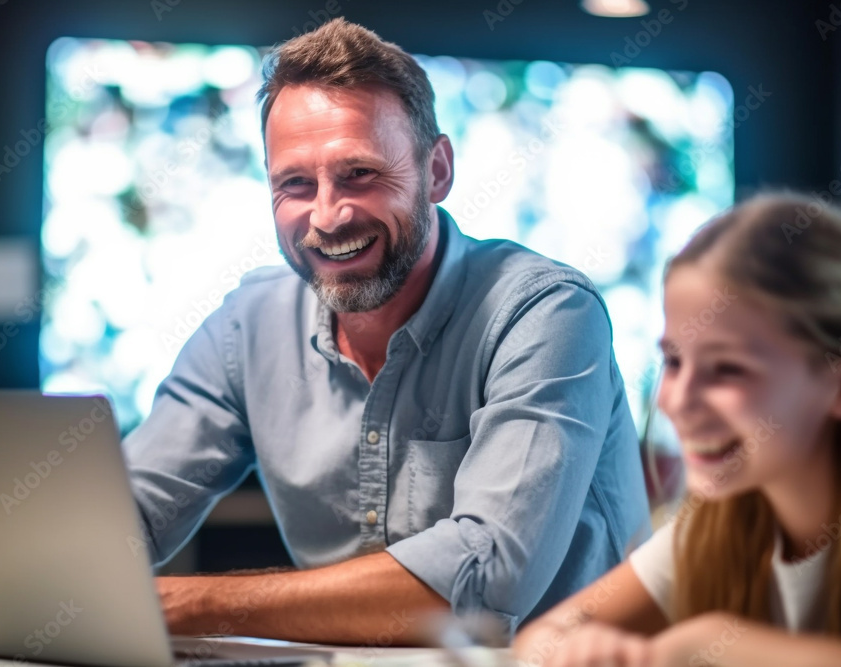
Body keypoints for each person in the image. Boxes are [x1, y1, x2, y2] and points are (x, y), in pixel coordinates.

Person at [122, 19, 650, 645]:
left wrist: (188, 605)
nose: (327, 215)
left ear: (438, 171)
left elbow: (485, 584)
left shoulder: (545, 313)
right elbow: (122, 519)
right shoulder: (247, 326)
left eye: (360, 175)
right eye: (295, 183)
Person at [513, 194, 841, 666]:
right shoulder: (722, 524)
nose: (677, 400)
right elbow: (543, 636)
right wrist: (581, 649)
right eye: (674, 360)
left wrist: (706, 644)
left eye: (728, 369)